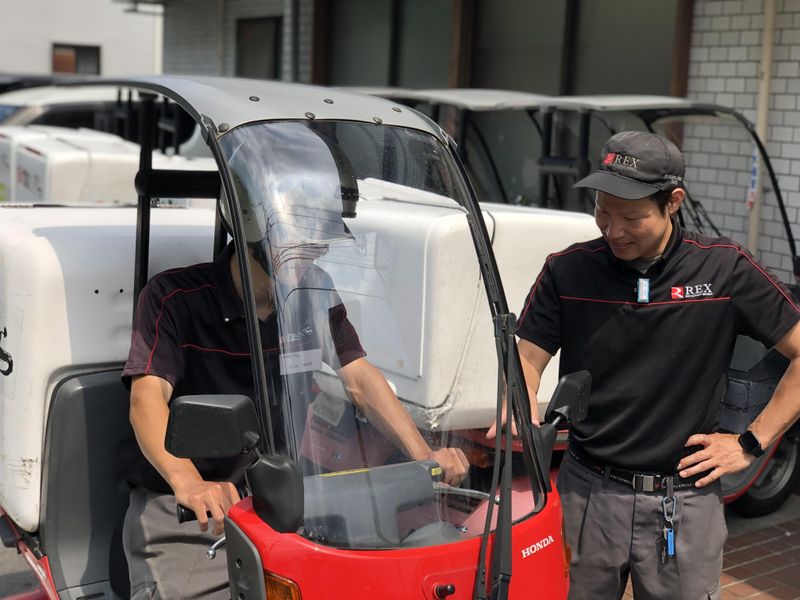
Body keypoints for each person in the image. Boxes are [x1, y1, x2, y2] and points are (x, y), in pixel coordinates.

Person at [121, 180, 469, 599]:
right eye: (299, 237)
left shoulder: (313, 294)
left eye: (318, 240)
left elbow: (359, 377)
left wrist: (424, 456)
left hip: (276, 499)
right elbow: (146, 398)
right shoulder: (174, 298)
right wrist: (190, 482)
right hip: (185, 509)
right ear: (252, 228)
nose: (314, 251)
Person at [512, 131, 800, 599]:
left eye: (632, 217)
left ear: (673, 202)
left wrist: (750, 442)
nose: (613, 229)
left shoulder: (724, 270)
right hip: (586, 493)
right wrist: (518, 407)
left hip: (684, 499)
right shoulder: (568, 271)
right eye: (603, 210)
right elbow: (526, 358)